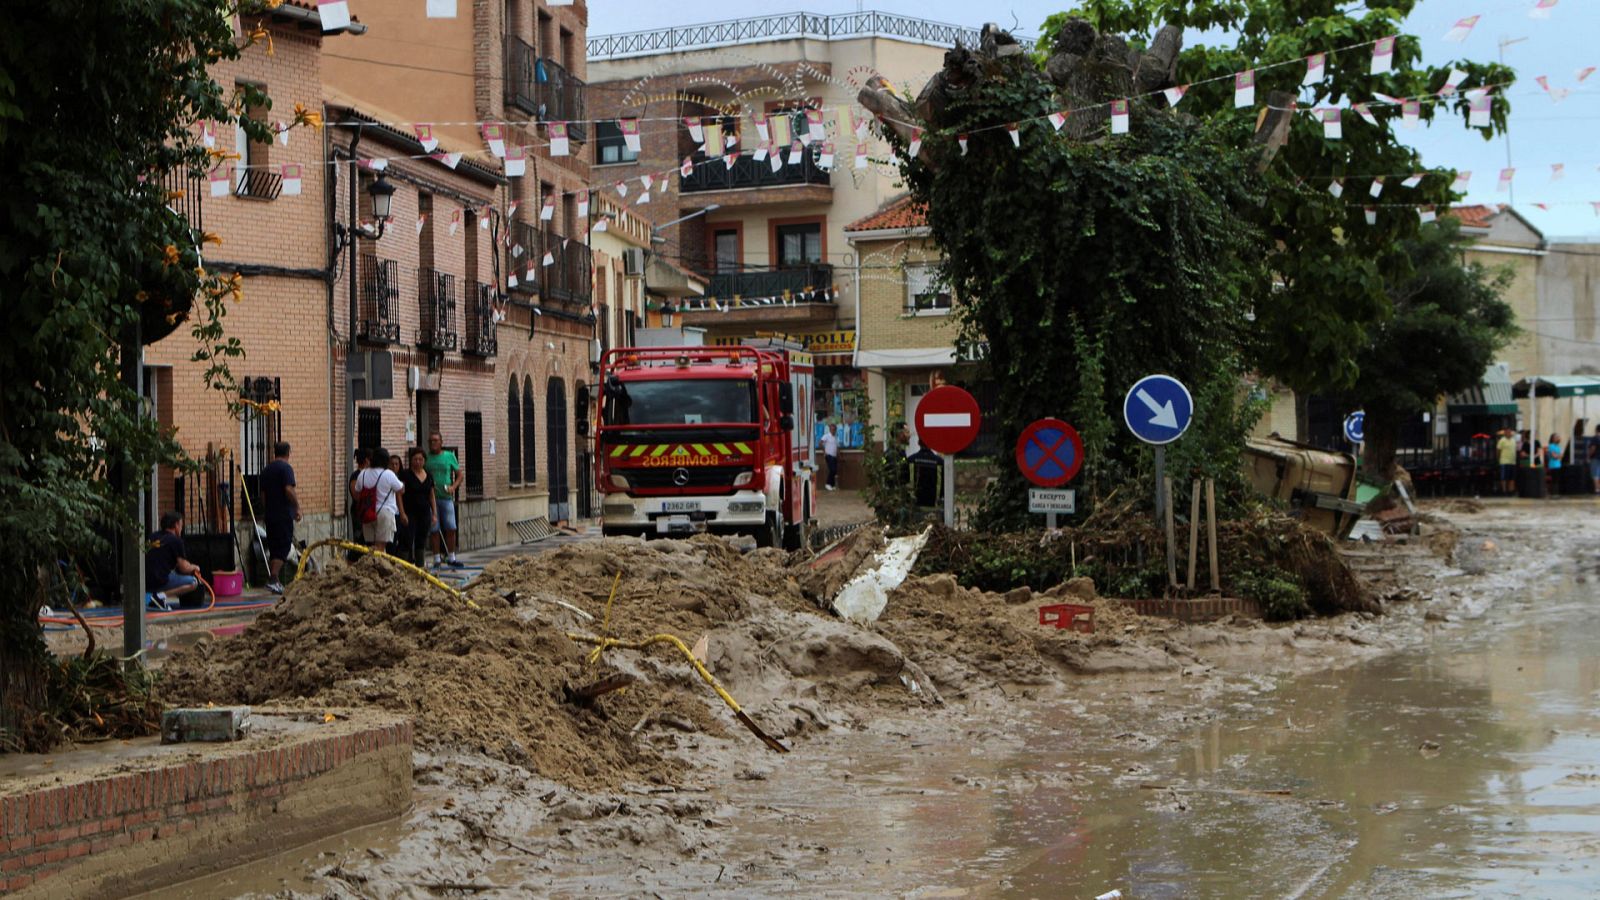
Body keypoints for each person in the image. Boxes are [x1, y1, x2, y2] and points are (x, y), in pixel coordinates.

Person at [259, 441, 300, 595]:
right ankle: (273, 578)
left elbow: (263, 495)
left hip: (270, 514)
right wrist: (297, 507)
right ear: (288, 452)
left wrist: (267, 508)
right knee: (283, 547)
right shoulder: (286, 468)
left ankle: (273, 580)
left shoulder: (266, 470)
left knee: (274, 546)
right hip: (283, 514)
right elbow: (289, 489)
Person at [353, 447, 406, 552]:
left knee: (371, 546)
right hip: (385, 513)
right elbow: (401, 490)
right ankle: (378, 567)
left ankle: (372, 566)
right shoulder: (388, 474)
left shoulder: (362, 474)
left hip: (367, 512)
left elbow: (357, 492)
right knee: (381, 547)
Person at [145, 511, 201, 610]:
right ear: (176, 525)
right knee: (193, 582)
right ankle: (160, 597)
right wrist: (195, 567)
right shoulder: (176, 541)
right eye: (181, 525)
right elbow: (184, 568)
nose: (181, 528)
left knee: (172, 572)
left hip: (146, 582)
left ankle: (153, 596)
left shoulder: (152, 536)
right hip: (159, 581)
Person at [425, 431, 464, 568]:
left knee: (451, 528)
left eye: (436, 440)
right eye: (431, 441)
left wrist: (453, 487)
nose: (433, 443)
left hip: (447, 497)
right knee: (434, 529)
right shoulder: (426, 458)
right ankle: (437, 558)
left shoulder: (449, 456)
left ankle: (451, 557)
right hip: (432, 500)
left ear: (441, 442)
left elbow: (459, 475)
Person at [397, 448, 438, 568]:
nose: (418, 462)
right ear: (411, 460)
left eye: (420, 459)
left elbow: (431, 496)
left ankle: (420, 567)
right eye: (415, 459)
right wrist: (402, 512)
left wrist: (434, 513)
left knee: (421, 539)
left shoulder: (429, 476)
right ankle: (402, 567)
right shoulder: (405, 475)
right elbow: (399, 494)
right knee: (407, 539)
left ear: (424, 461)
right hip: (409, 512)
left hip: (424, 513)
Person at [1496, 428, 1517, 496]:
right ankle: (1504, 491)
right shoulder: (1502, 440)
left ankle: (1511, 490)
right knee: (1504, 477)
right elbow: (1498, 450)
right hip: (1504, 461)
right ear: (1505, 433)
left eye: (1510, 432)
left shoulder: (1513, 440)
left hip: (1512, 462)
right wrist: (1498, 458)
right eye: (1507, 432)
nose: (1509, 433)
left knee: (1512, 477)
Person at [820, 422, 839, 491]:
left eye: (834, 429)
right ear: (830, 429)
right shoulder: (826, 436)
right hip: (829, 455)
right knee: (832, 470)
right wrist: (824, 452)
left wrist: (838, 455)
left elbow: (836, 446)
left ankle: (832, 485)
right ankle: (827, 484)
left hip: (834, 456)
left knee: (835, 471)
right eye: (832, 429)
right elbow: (820, 443)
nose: (833, 431)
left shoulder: (835, 437)